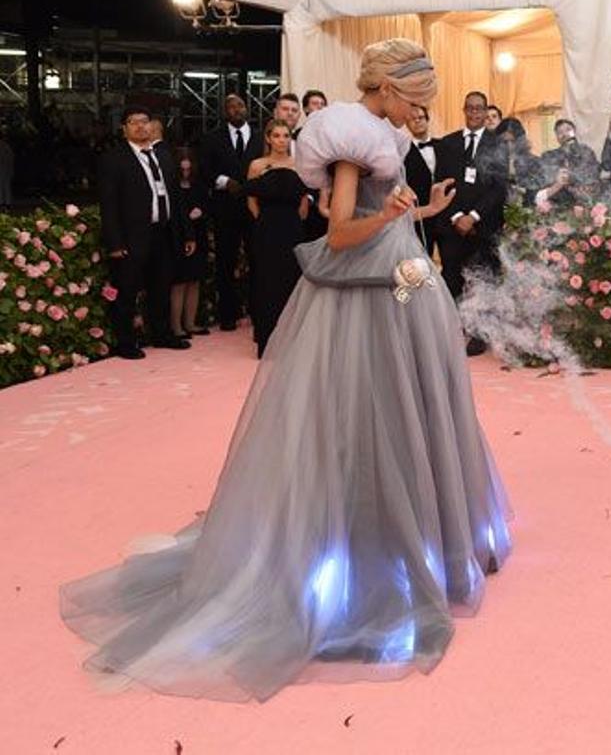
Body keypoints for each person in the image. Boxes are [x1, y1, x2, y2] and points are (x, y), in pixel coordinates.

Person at [61, 38, 511, 702]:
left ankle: (417, 528)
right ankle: (369, 542)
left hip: (401, 280)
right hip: (367, 292)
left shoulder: (380, 134)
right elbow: (336, 232)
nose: (417, 110)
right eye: (412, 98)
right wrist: (390, 215)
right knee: (371, 409)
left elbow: (381, 220)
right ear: (384, 89)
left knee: (414, 400)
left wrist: (424, 211)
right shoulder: (354, 137)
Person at [98, 106, 195, 358]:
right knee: (127, 290)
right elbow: (108, 204)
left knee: (161, 286)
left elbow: (176, 197)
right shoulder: (114, 159)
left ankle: (162, 335)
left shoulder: (163, 155)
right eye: (134, 122)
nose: (141, 126)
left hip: (164, 231)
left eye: (145, 121)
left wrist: (187, 233)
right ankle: (126, 342)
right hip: (132, 236)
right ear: (124, 128)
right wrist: (115, 242)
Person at [432, 92, 507, 355]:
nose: (475, 113)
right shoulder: (448, 143)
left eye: (480, 109)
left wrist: (473, 216)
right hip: (452, 226)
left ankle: (478, 334)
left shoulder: (498, 145)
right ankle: (452, 331)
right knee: (451, 278)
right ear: (464, 110)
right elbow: (440, 184)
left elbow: (499, 189)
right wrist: (456, 217)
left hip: (484, 226)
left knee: (483, 280)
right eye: (471, 108)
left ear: (486, 112)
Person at [244, 119, 309, 358]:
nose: (282, 140)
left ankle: (291, 341)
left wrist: (295, 223)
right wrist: (263, 221)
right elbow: (250, 200)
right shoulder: (257, 165)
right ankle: (266, 339)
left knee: (291, 281)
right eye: (277, 136)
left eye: (286, 136)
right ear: (269, 139)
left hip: (292, 229)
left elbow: (303, 202)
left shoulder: (298, 164)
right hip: (266, 230)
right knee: (265, 281)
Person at [197, 94, 262, 331]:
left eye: (240, 105)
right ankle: (227, 315)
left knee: (258, 261)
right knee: (226, 262)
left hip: (255, 208)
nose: (236, 109)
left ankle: (258, 313)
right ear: (225, 112)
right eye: (231, 106)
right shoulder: (212, 138)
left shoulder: (260, 137)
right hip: (225, 209)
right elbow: (204, 170)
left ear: (247, 109)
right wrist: (225, 182)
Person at [168, 147, 210, 340]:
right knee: (179, 282)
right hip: (178, 237)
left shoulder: (199, 185)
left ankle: (190, 323)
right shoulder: (171, 186)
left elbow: (207, 205)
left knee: (194, 281)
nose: (186, 170)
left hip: (198, 235)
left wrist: (201, 211)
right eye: (182, 167)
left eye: (188, 166)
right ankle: (176, 326)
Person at [404, 104, 437, 253]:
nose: (417, 121)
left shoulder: (444, 145)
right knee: (423, 258)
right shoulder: (403, 151)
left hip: (446, 216)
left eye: (421, 117)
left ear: (427, 120)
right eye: (412, 119)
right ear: (407, 124)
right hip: (420, 215)